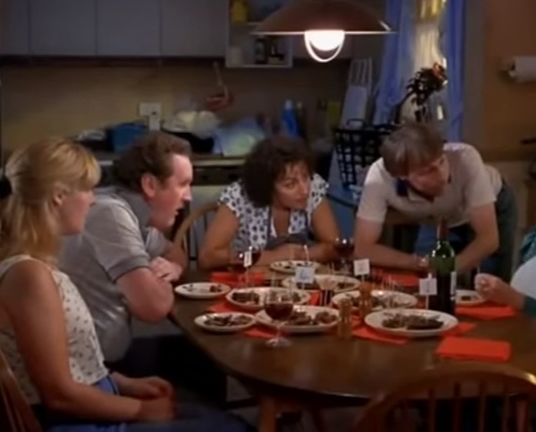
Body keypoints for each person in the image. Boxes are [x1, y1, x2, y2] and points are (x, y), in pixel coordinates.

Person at [0, 138, 248, 432]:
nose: (92, 200)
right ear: (59, 196)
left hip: (98, 395)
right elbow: (59, 395)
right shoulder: (30, 276)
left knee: (212, 412)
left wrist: (121, 383)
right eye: (87, 189)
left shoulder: (38, 265)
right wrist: (140, 410)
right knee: (232, 426)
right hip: (77, 424)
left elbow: (67, 363)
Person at [59, 132, 191, 370]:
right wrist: (162, 282)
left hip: (105, 357)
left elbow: (175, 253)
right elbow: (153, 308)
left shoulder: (132, 214)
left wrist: (172, 267)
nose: (188, 196)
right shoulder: (111, 214)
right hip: (90, 367)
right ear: (150, 185)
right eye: (182, 184)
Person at [354, 121, 517, 282]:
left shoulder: (466, 157)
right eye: (428, 171)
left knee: (491, 282)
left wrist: (448, 269)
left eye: (441, 161)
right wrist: (418, 263)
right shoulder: (379, 178)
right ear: (402, 176)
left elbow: (488, 240)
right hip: (436, 217)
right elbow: (363, 248)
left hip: (491, 205)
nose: (441, 175)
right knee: (427, 283)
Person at [199, 136, 340, 270]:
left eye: (306, 177)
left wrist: (299, 255)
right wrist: (274, 256)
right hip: (248, 281)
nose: (304, 190)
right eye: (290, 184)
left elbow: (335, 247)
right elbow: (208, 256)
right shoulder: (239, 196)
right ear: (268, 187)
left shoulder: (313, 187)